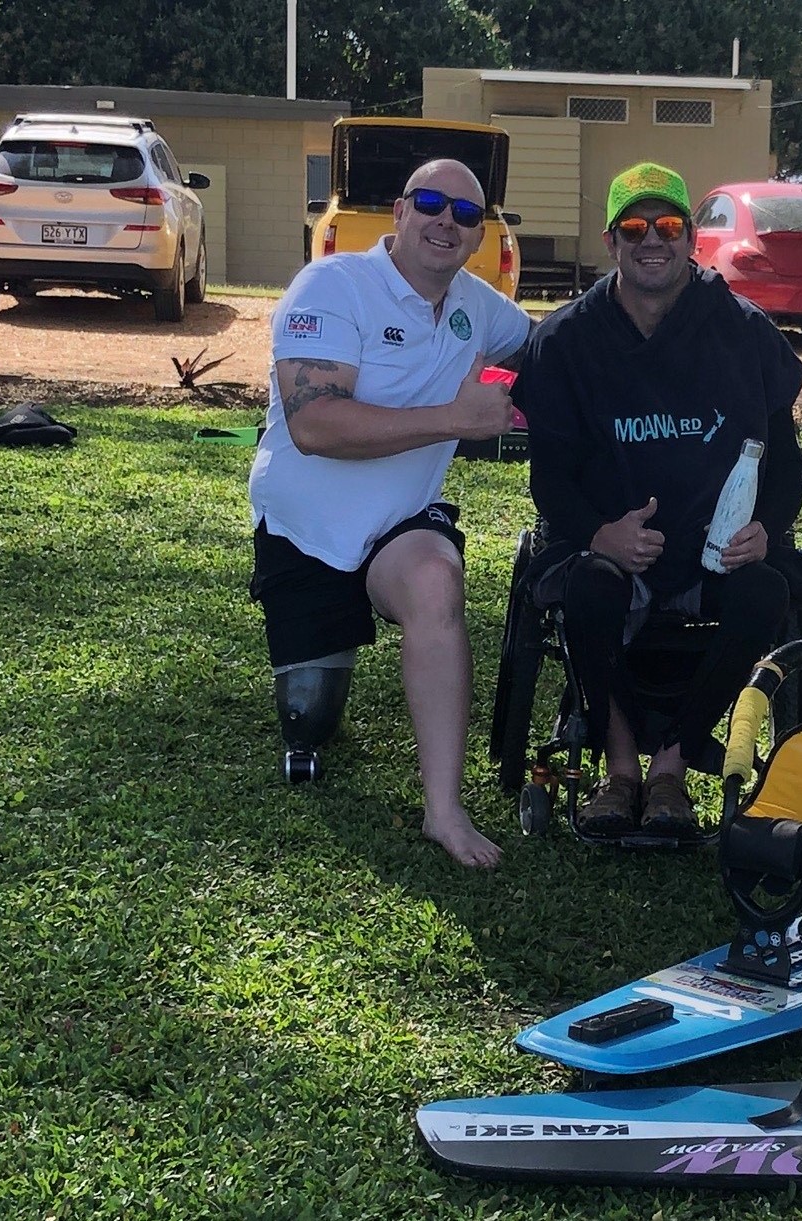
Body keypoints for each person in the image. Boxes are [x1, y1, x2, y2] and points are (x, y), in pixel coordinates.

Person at [511, 162, 802, 839]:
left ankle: (671, 764)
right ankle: (620, 770)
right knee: (587, 588)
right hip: (611, 551)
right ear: (611, 241)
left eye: (669, 226)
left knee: (766, 594)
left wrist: (766, 528)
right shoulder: (565, 341)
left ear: (691, 240)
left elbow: (789, 467)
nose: (654, 240)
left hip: (715, 551)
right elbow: (549, 478)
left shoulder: (742, 330)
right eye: (636, 228)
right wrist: (598, 532)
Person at [248, 158, 531, 868]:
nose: (447, 221)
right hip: (304, 531)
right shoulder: (333, 286)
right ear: (400, 212)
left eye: (467, 214)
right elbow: (315, 427)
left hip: (401, 528)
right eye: (432, 203)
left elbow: (559, 344)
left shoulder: (479, 306)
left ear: (479, 235)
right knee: (309, 719)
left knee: (438, 581)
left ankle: (444, 810)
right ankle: (316, 667)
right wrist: (454, 419)